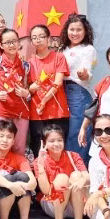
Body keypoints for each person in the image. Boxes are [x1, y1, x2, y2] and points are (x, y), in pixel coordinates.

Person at [34, 124, 89, 219]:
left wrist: (81, 180)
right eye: (51, 141)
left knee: (77, 175)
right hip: (52, 204)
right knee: (62, 178)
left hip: (76, 204)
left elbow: (87, 176)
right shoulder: (39, 161)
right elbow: (45, 191)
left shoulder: (73, 156)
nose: (56, 144)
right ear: (44, 143)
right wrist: (40, 165)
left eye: (60, 140)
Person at [27, 24, 70, 159]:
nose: (38, 40)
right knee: (38, 148)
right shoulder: (29, 62)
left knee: (58, 148)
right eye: (34, 37)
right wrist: (30, 88)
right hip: (37, 114)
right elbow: (27, 89)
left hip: (57, 111)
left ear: (49, 39)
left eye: (41, 36)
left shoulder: (59, 57)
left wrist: (43, 102)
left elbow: (58, 83)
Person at [0, 28, 31, 155]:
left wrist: (26, 93)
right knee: (1, 147)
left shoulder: (25, 65)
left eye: (14, 41)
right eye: (7, 42)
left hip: (21, 111)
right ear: (1, 45)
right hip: (1, 110)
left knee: (18, 148)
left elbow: (29, 88)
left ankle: (18, 174)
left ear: (19, 43)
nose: (11, 45)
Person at [60, 14, 97, 162]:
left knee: (77, 133)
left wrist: (84, 75)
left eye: (79, 30)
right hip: (61, 92)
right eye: (72, 29)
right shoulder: (63, 50)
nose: (75, 33)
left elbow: (88, 72)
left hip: (78, 92)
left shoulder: (88, 49)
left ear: (85, 31)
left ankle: (79, 172)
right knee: (65, 132)